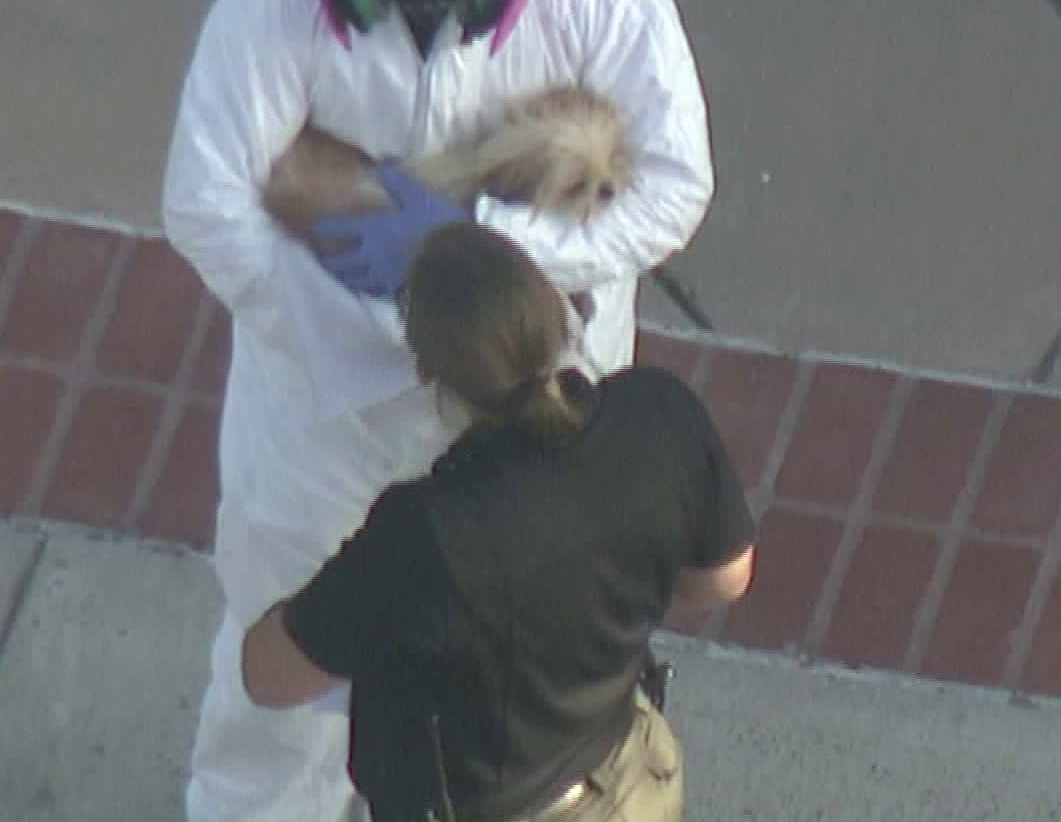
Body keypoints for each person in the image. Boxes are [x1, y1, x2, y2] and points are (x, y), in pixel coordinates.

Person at [159, 0, 716, 821]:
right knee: (276, 711)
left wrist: (478, 251)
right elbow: (204, 203)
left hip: (532, 406)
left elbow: (677, 185)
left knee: (520, 678)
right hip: (328, 429)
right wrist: (353, 329)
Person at [241, 221, 757, 822]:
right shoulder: (657, 412)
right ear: (556, 316)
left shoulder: (424, 537)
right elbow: (724, 579)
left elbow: (269, 673)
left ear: (433, 376)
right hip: (626, 783)